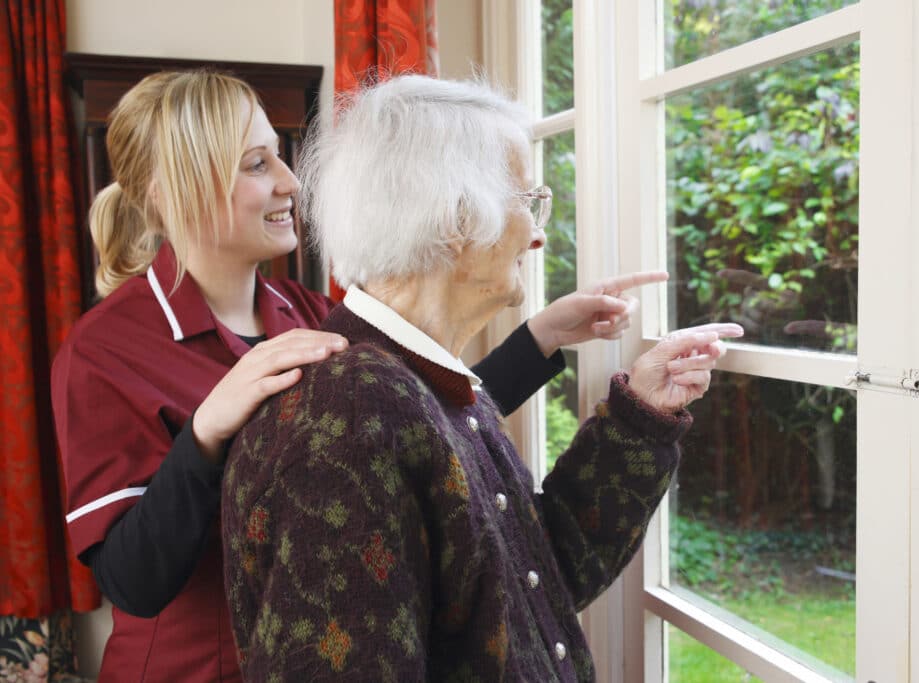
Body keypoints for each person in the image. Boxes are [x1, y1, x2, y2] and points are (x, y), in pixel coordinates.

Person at [51, 70, 660, 682]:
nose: (291, 181)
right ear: (171, 192)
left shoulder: (307, 312)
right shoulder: (105, 352)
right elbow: (131, 580)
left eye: (281, 158)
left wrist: (542, 336)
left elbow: (415, 431)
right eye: (257, 164)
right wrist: (205, 434)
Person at [221, 75, 743, 682]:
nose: (539, 234)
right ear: (456, 220)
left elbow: (524, 587)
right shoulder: (352, 414)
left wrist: (643, 414)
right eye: (528, 202)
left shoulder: (419, 383)